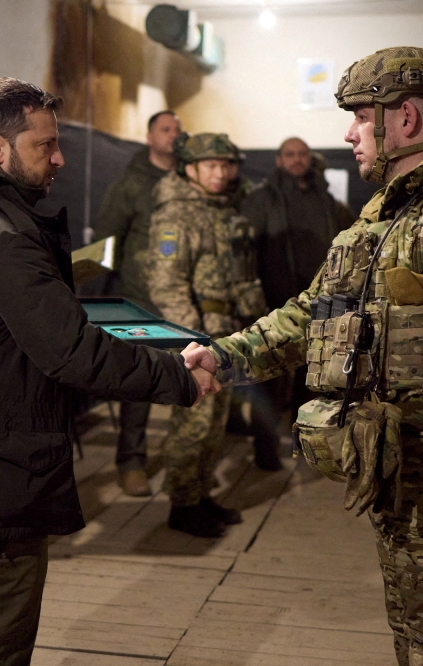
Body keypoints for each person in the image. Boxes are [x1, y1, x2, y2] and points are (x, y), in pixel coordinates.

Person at [184, 47, 423, 665]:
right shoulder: (385, 215)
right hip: (398, 473)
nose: (349, 133)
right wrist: (223, 359)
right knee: (417, 638)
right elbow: (310, 315)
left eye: (361, 117)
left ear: (404, 119)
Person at [0, 78, 219, 665]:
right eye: (45, 145)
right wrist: (177, 375)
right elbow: (73, 353)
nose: (59, 158)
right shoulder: (5, 238)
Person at [148, 132, 266, 538]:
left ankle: (199, 494)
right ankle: (182, 504)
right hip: (196, 339)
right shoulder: (176, 215)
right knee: (193, 423)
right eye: (211, 165)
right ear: (190, 169)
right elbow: (167, 284)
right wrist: (192, 340)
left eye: (227, 164)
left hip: (225, 334)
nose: (221, 173)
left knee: (215, 423)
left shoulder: (224, 209)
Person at [240, 136, 354, 470]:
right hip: (273, 306)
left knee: (312, 379)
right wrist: (253, 300)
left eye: (302, 154)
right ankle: (265, 448)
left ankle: (302, 443)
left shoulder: (325, 200)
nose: (296, 159)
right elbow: (246, 253)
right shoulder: (261, 200)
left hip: (319, 308)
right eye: (289, 154)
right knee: (269, 381)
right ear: (279, 160)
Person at [93, 110, 183, 496]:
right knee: (140, 383)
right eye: (165, 129)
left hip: (184, 300)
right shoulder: (130, 184)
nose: (173, 135)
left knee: (190, 378)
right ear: (149, 137)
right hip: (142, 301)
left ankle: (184, 459)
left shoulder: (189, 180)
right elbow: (106, 244)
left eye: (178, 129)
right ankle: (131, 461)